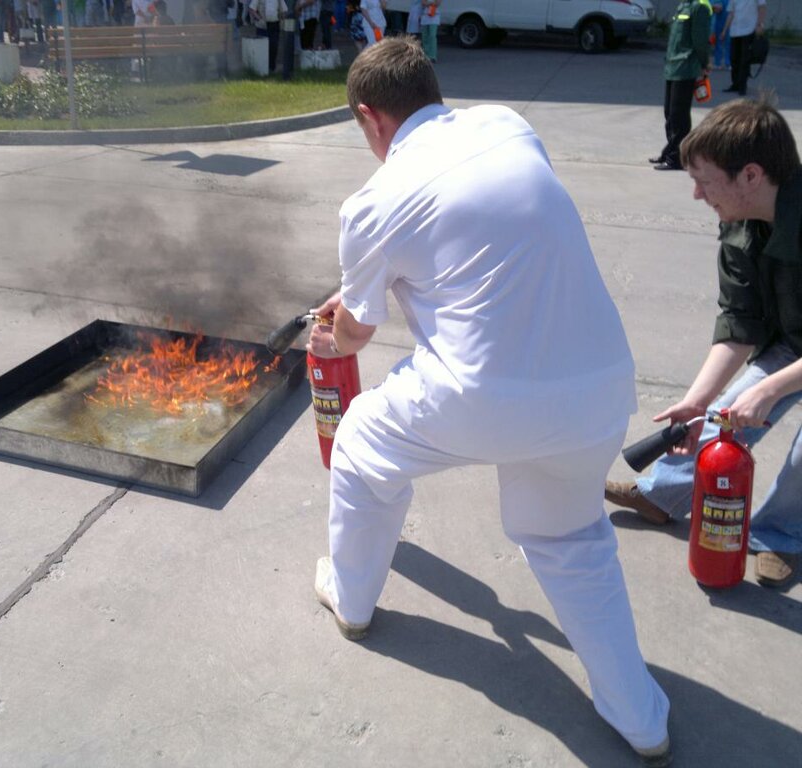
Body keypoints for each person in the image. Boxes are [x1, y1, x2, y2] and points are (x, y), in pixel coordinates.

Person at [309, 38, 671, 766]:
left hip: (479, 397)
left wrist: (332, 337)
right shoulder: (506, 124)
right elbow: (489, 239)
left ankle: (351, 602)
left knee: (358, 449)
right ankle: (641, 720)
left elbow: (355, 334)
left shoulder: (371, 204)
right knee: (570, 543)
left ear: (369, 118)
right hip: (597, 385)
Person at [605, 98, 802, 590]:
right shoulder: (739, 215)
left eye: (704, 180)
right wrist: (698, 402)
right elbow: (740, 319)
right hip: (792, 341)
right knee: (722, 415)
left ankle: (781, 533)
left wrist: (773, 387)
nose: (695, 194)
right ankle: (664, 496)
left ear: (751, 175)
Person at [650, 0, 710, 172]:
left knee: (679, 115)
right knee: (669, 113)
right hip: (672, 66)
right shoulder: (683, 5)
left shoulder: (700, 7)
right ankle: (670, 151)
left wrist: (704, 64)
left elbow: (700, 41)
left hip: (686, 66)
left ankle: (677, 158)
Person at [721, 0, 765, 96]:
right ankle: (735, 84)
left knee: (744, 60)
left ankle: (742, 86)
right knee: (734, 59)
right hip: (735, 31)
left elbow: (762, 8)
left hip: (749, 30)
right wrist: (724, 30)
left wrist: (760, 24)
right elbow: (731, 14)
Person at [249, 0, 285, 74]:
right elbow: (252, 9)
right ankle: (261, 69)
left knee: (274, 46)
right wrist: (259, 18)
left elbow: (283, 10)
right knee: (262, 48)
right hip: (262, 26)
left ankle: (271, 68)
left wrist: (282, 19)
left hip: (274, 25)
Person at [710, 0, 728, 69]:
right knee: (717, 42)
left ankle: (727, 62)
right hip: (716, 21)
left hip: (724, 18)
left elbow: (718, 9)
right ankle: (718, 62)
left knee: (727, 42)